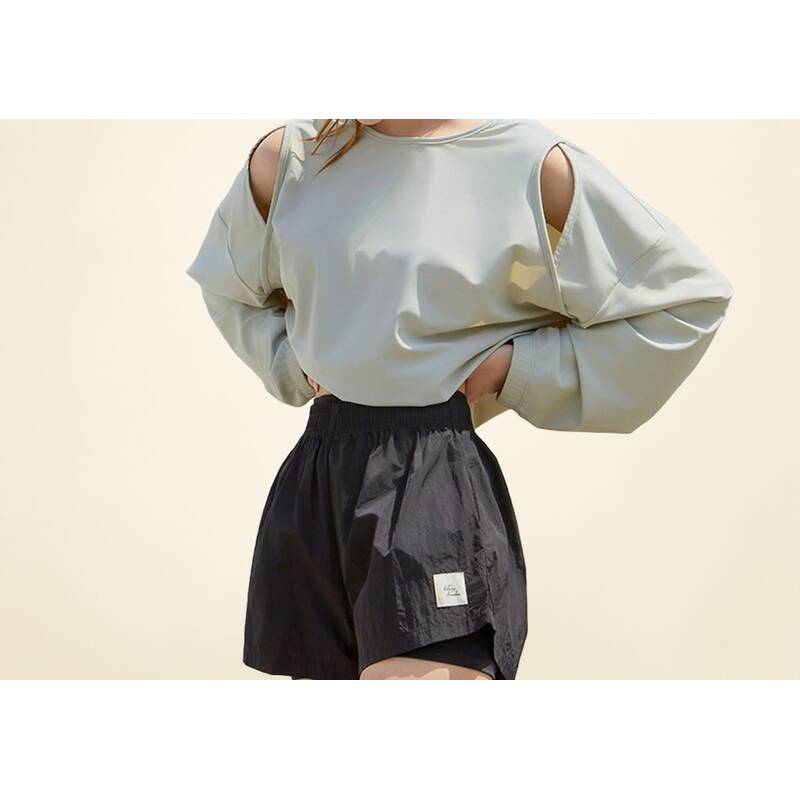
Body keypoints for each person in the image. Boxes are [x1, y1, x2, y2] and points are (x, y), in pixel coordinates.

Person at [186, 119, 734, 680]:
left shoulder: (526, 160)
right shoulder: (290, 158)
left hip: (431, 479)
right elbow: (227, 285)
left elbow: (685, 300)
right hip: (318, 476)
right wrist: (290, 360)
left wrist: (516, 367)